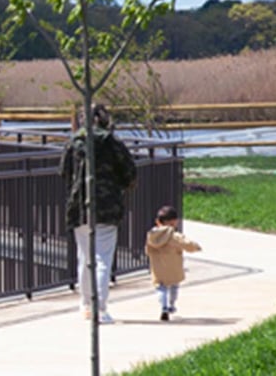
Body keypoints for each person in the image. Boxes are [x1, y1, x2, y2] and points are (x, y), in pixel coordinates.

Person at [62, 104, 135, 324]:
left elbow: (64, 172)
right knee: (102, 258)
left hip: (80, 207)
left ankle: (86, 304)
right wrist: (117, 187)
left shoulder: (74, 142)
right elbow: (130, 173)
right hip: (107, 206)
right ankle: (99, 308)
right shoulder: (112, 143)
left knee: (85, 257)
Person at [146, 206, 202, 322]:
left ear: (158, 221)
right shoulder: (174, 235)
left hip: (158, 268)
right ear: (174, 222)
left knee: (161, 288)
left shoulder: (152, 235)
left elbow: (147, 250)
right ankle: (171, 305)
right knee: (174, 287)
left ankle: (164, 307)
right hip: (173, 267)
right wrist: (196, 247)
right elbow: (187, 244)